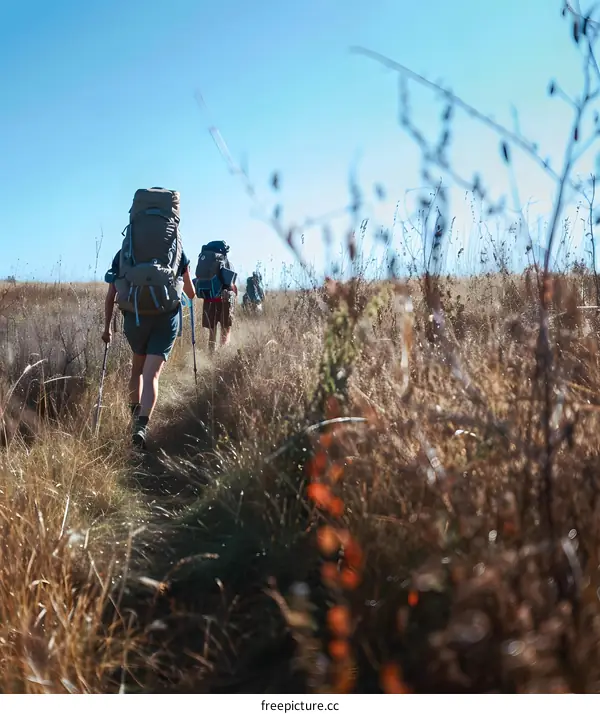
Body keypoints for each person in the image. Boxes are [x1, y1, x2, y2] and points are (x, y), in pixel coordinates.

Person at [101, 187, 196, 449]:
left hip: (135, 317)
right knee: (151, 375)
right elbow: (190, 292)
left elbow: (111, 295)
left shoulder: (125, 251)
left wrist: (107, 328)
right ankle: (142, 427)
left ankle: (134, 420)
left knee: (137, 370)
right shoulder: (177, 249)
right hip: (165, 317)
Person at [197, 242, 238, 352]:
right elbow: (232, 286)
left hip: (209, 298)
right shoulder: (228, 264)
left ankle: (211, 356)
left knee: (212, 332)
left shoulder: (206, 264)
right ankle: (222, 356)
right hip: (225, 300)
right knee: (225, 330)